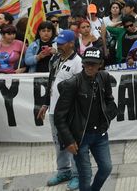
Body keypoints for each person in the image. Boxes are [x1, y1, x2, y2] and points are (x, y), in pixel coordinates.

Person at [54, 47, 117, 191]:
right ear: (82, 63)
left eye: (93, 64)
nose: (89, 66)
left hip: (100, 134)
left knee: (106, 168)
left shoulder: (104, 78)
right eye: (87, 63)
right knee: (85, 174)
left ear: (100, 64)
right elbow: (59, 116)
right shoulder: (72, 84)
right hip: (80, 138)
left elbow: (110, 100)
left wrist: (107, 116)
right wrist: (68, 140)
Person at [38, 30, 82, 190]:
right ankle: (64, 171)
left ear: (71, 43)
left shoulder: (78, 62)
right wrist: (46, 103)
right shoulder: (56, 59)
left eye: (63, 43)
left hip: (69, 112)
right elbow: (51, 81)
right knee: (59, 143)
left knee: (73, 142)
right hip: (54, 110)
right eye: (59, 42)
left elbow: (81, 88)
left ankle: (78, 174)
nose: (59, 45)